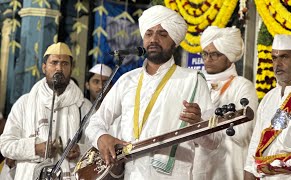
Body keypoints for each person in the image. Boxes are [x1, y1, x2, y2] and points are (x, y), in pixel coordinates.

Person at [85, 5, 217, 180]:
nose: (154, 39)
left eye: (162, 34)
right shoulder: (127, 80)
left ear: (174, 42)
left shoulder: (192, 80)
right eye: (149, 33)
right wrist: (101, 137)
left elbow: (214, 141)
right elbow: (95, 122)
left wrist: (199, 124)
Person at [0, 42, 92, 180]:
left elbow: (97, 145)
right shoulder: (24, 103)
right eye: (54, 63)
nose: (59, 68)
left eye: (65, 64)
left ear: (71, 68)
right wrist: (35, 149)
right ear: (44, 67)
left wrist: (80, 150)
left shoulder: (84, 106)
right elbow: (5, 145)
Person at [244, 34, 291, 179]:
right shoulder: (268, 98)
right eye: (274, 58)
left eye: (284, 57)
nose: (277, 64)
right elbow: (255, 146)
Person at [192, 26, 259, 180]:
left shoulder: (242, 86)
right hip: (197, 168)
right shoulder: (196, 84)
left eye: (215, 54)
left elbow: (242, 132)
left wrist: (204, 123)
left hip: (229, 167)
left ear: (229, 56)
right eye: (205, 54)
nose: (208, 59)